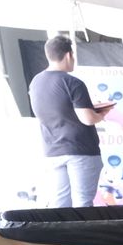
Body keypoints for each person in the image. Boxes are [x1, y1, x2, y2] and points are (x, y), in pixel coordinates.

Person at [29, 35, 111, 209]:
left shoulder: (36, 82)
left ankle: (60, 236)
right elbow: (87, 118)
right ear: (68, 55)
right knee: (83, 203)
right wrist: (102, 114)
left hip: (52, 150)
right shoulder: (72, 82)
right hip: (80, 149)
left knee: (60, 203)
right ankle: (83, 237)